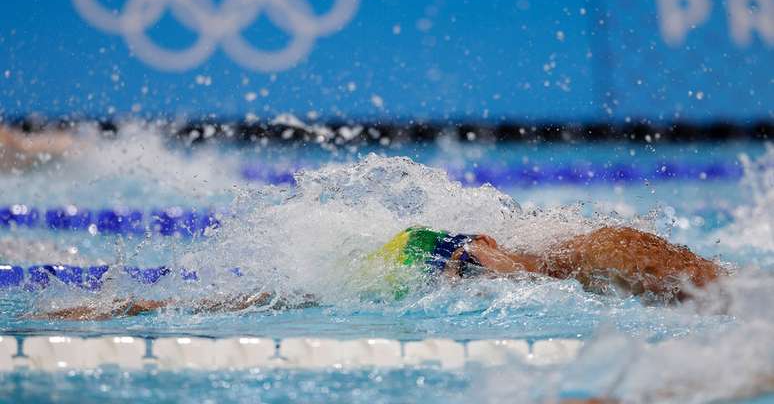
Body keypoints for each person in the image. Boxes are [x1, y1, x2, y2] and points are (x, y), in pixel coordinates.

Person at [37, 226, 723, 321]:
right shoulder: (628, 259)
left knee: (275, 301)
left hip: (441, 249)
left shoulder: (614, 250)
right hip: (446, 256)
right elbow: (495, 258)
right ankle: (130, 310)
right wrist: (488, 264)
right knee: (276, 302)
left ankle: (130, 309)